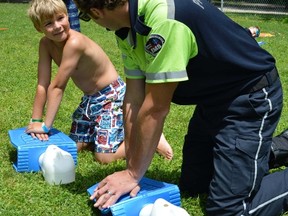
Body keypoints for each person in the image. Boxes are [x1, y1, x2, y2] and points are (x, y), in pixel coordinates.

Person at [73, 0, 288, 215]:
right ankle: (268, 150)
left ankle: (250, 158)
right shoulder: (127, 27)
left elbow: (155, 107)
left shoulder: (165, 22)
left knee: (229, 211)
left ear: (95, 12)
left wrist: (132, 174)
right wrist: (132, 168)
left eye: (86, 17)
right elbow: (134, 100)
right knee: (195, 184)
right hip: (214, 98)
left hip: (250, 97)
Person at [25, 0, 173, 164]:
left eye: (60, 18)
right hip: (91, 99)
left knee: (105, 157)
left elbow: (58, 86)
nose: (57, 26)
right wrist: (36, 121)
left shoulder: (75, 43)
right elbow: (42, 84)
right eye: (49, 23)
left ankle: (151, 139)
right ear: (39, 28)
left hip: (112, 96)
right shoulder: (45, 44)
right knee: (74, 147)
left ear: (68, 16)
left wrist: (46, 126)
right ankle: (116, 131)